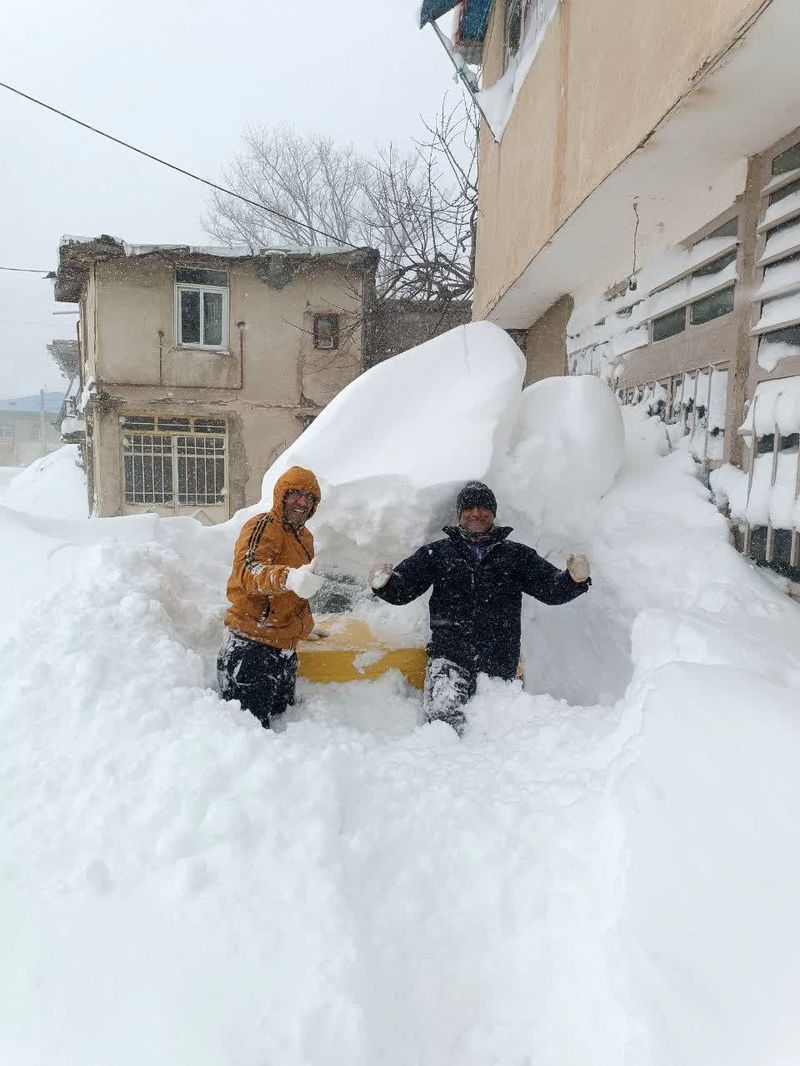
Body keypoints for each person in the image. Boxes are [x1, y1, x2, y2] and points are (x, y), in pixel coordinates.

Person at [369, 481, 591, 736]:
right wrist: (384, 584)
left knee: (500, 735)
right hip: (449, 659)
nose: (476, 513)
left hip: (500, 663)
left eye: (484, 507)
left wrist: (575, 580)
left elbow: (551, 590)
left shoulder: (517, 556)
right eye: (470, 507)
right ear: (459, 514)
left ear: (493, 514)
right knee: (443, 728)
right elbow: (404, 589)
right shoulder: (437, 553)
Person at [217, 465, 324, 730]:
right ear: (281, 495)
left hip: (284, 649)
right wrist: (288, 577)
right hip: (251, 649)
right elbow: (249, 571)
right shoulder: (263, 526)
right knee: (251, 741)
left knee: (283, 730)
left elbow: (294, 594)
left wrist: (303, 625)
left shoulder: (304, 537)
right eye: (295, 494)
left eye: (309, 497)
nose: (302, 502)